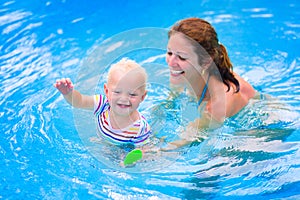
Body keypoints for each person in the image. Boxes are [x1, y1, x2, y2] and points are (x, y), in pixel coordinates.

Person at [162, 17, 257, 149]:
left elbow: (181, 143)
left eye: (182, 57)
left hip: (262, 130)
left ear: (206, 61)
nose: (171, 62)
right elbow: (171, 100)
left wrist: (151, 151)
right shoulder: (183, 73)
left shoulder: (216, 105)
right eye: (169, 52)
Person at [54, 58, 152, 145]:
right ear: (106, 91)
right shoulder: (102, 104)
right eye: (117, 92)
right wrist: (68, 94)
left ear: (142, 97)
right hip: (102, 140)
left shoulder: (140, 129)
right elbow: (79, 101)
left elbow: (142, 151)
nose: (124, 99)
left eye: (132, 94)